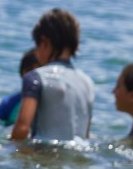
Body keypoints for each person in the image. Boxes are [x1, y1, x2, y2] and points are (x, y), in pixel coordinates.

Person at [11, 8, 94, 141]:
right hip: (77, 157)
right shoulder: (87, 83)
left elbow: (22, 128)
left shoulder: (35, 78)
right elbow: (86, 134)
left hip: (45, 156)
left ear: (45, 42)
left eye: (37, 45)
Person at [0, 48, 40, 126]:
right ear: (21, 73)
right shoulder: (11, 102)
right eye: (29, 71)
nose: (33, 77)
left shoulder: (54, 102)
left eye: (37, 72)